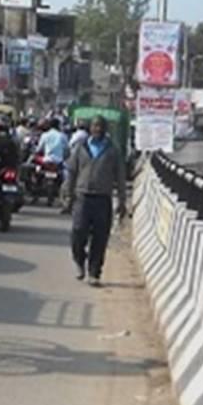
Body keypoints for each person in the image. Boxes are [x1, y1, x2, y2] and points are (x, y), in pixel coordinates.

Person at [65, 116, 128, 286]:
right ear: (90, 128)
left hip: (102, 199)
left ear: (105, 129)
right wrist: (67, 195)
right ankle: (79, 261)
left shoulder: (113, 151)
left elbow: (120, 178)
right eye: (95, 125)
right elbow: (71, 172)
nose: (97, 129)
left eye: (101, 126)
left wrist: (122, 201)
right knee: (78, 232)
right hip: (82, 197)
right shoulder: (81, 147)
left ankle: (94, 272)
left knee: (100, 238)